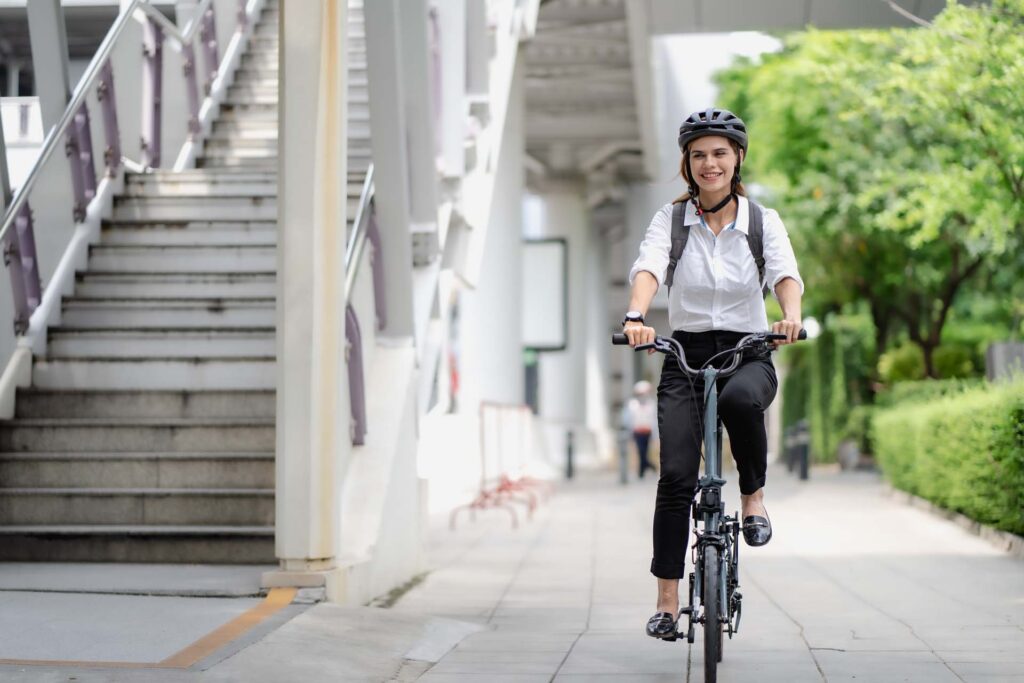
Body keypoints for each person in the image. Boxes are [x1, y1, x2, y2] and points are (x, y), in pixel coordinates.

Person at [620, 108, 804, 640]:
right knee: (676, 476)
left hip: (748, 349)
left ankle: (752, 497)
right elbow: (649, 266)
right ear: (687, 164)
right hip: (686, 354)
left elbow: (784, 273)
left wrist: (788, 317)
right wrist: (636, 317)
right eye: (699, 155)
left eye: (720, 153)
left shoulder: (761, 221)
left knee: (742, 402)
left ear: (737, 158)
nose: (709, 163)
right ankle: (666, 602)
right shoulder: (671, 220)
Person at [626, 380, 657, 479]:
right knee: (641, 451)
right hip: (637, 432)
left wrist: (655, 434)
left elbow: (653, 420)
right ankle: (646, 468)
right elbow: (630, 420)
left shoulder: (651, 404)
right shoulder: (633, 404)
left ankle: (643, 469)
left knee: (645, 451)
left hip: (647, 431)